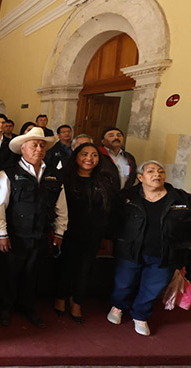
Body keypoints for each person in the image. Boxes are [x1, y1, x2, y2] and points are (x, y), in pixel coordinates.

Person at [0, 127, 68, 329]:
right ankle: (5, 307)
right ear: (23, 148)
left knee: (32, 273)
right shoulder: (8, 174)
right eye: (34, 145)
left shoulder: (53, 175)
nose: (39, 149)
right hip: (15, 235)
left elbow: (61, 206)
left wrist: (59, 231)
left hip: (40, 234)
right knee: (9, 273)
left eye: (42, 145)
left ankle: (28, 306)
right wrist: (2, 234)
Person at [107, 160, 191, 336]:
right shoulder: (127, 197)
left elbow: (186, 229)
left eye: (160, 171)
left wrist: (182, 256)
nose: (157, 175)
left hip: (163, 253)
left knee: (153, 287)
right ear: (140, 177)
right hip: (130, 250)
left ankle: (140, 315)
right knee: (123, 283)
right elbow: (114, 221)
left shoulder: (181, 198)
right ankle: (118, 306)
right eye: (151, 171)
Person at [54, 143, 119, 324]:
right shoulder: (64, 178)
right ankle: (61, 296)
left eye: (94, 155)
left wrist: (107, 234)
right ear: (76, 157)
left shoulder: (105, 181)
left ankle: (77, 301)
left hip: (94, 232)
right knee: (66, 266)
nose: (89, 158)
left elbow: (110, 210)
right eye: (84, 154)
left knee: (85, 268)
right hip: (69, 230)